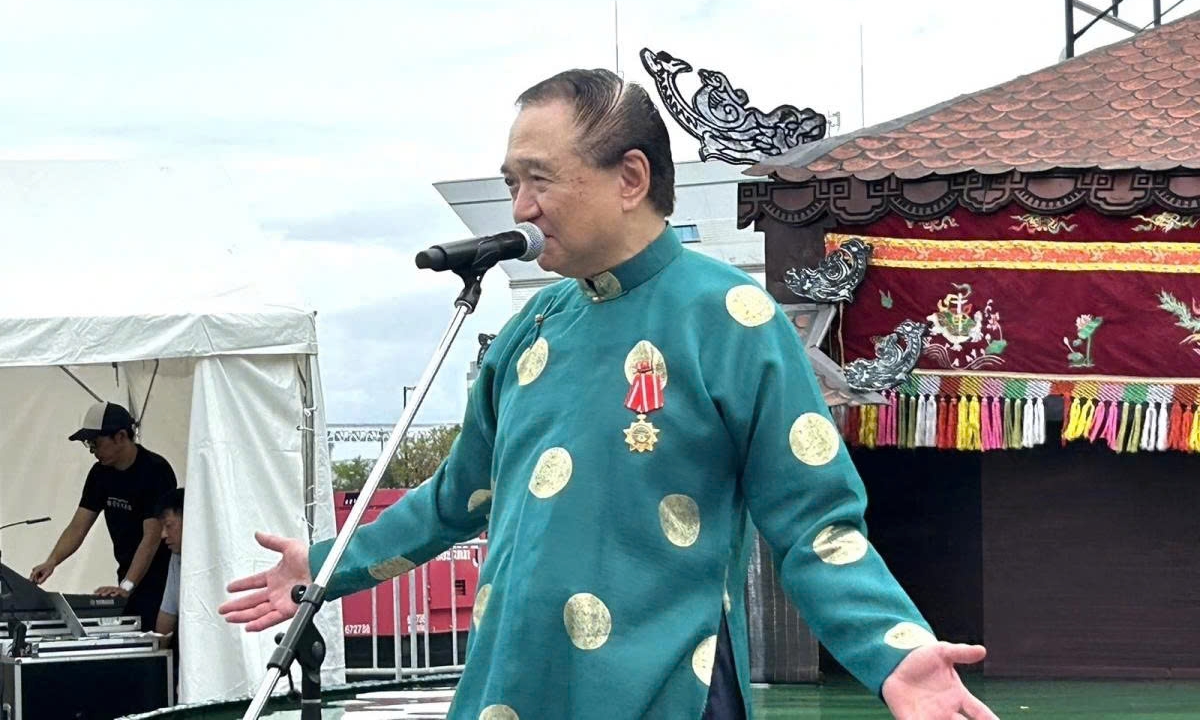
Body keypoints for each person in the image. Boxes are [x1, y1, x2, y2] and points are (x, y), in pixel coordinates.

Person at [221, 69, 998, 720]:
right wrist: (324, 566)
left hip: (665, 691)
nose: (520, 208)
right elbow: (455, 498)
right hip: (510, 688)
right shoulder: (528, 333)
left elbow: (814, 523)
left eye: (539, 179)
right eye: (511, 183)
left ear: (630, 178)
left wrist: (892, 648)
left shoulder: (734, 319)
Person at [31, 401, 177, 632]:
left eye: (95, 442)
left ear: (121, 437)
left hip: (163, 579)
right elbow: (78, 526)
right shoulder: (100, 474)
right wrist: (52, 561)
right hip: (127, 576)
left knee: (155, 639)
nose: (92, 450)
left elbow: (151, 538)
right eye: (88, 444)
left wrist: (127, 586)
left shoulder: (155, 471)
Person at [154, 487, 185, 698]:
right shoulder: (176, 558)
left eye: (168, 526)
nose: (163, 535)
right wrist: (156, 661)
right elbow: (167, 613)